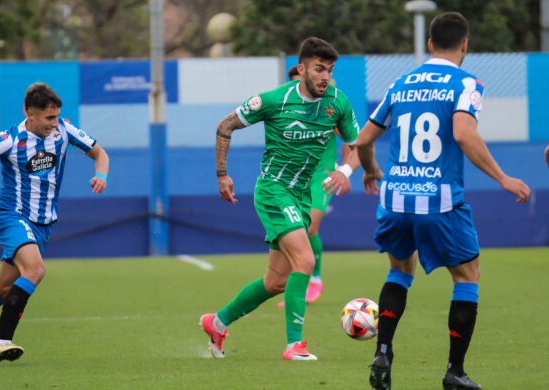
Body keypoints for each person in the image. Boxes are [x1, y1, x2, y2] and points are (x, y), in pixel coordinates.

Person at [356, 12, 531, 390]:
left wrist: (369, 171)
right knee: (467, 276)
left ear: (431, 43)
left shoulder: (400, 83)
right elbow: (464, 134)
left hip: (396, 199)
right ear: (464, 45)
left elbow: (363, 140)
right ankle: (454, 371)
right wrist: (502, 177)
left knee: (400, 271)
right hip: (439, 200)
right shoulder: (468, 83)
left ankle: (383, 351)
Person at [200, 37, 359, 361]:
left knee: (275, 282)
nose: (325, 76)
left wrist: (347, 170)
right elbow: (225, 125)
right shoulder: (274, 100)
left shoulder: (337, 102)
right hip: (274, 190)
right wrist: (221, 174)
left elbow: (358, 145)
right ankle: (294, 346)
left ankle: (216, 322)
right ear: (301, 69)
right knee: (305, 260)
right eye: (318, 69)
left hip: (301, 194)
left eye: (329, 70)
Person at [0, 82, 109, 364]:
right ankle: (2, 343)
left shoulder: (63, 130)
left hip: (43, 224)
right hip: (13, 216)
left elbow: (100, 153)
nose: (54, 123)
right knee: (36, 269)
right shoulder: (8, 140)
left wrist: (102, 175)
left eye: (56, 116)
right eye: (48, 118)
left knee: (2, 289)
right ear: (30, 113)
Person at [277, 67, 360, 307]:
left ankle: (314, 280)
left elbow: (349, 138)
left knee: (310, 227)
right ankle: (293, 282)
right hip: (293, 178)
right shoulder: (287, 107)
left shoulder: (329, 106)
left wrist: (344, 171)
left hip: (321, 175)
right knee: (295, 230)